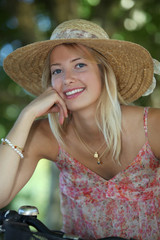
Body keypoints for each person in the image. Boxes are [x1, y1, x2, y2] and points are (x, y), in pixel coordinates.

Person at [0, 19, 160, 240]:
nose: (67, 79)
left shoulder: (152, 126)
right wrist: (26, 115)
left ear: (104, 72)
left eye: (80, 65)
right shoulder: (44, 134)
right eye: (57, 71)